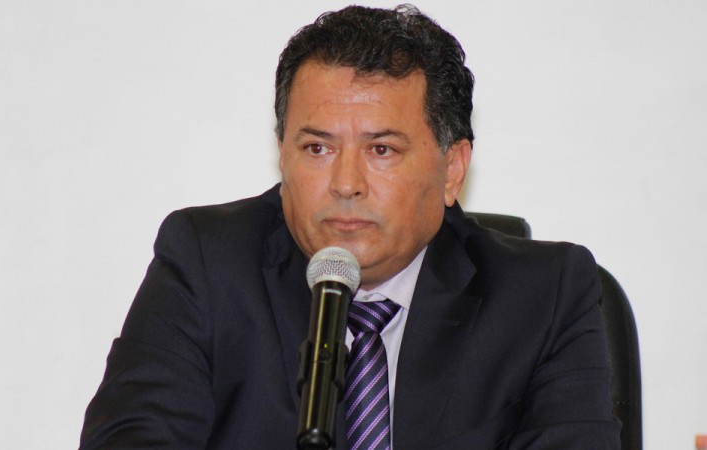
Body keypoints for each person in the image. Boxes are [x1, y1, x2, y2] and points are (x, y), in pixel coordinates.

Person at [80, 4, 620, 449]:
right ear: (282, 154)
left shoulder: (544, 296)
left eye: (381, 150)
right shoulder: (206, 264)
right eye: (318, 148)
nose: (345, 184)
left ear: (452, 169)